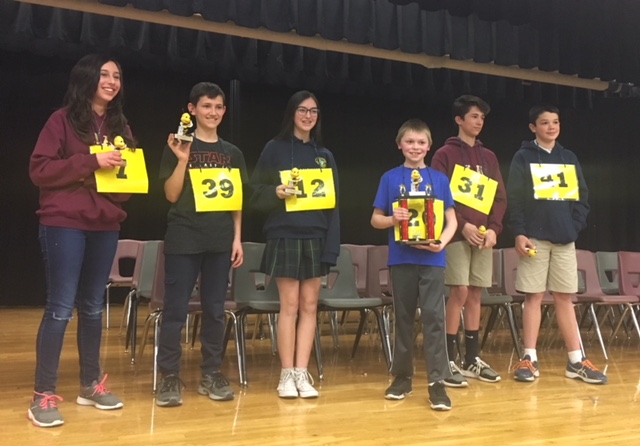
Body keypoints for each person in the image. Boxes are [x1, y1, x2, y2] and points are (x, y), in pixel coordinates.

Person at [28, 54, 132, 427]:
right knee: (60, 307)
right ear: (87, 78)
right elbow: (40, 170)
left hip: (105, 225)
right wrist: (92, 163)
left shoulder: (121, 125)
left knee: (92, 307)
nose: (111, 80)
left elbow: (126, 185)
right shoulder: (61, 120)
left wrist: (111, 178)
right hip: (64, 222)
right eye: (104, 74)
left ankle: (91, 385)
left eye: (117, 76)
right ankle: (42, 396)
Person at [156, 82, 247, 406]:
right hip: (184, 237)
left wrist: (237, 238)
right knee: (175, 310)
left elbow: (237, 199)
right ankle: (169, 376)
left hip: (220, 240)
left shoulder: (232, 153)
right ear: (192, 109)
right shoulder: (177, 144)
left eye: (219, 107)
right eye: (207, 106)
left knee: (215, 311)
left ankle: (211, 373)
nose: (213, 112)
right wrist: (183, 159)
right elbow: (170, 194)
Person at [250, 90, 340, 399]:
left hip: (315, 237)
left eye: (313, 111)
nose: (308, 116)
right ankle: (286, 374)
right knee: (288, 306)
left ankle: (303, 372)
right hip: (284, 234)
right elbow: (253, 192)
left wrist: (331, 248)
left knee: (310, 306)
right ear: (292, 114)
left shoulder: (324, 155)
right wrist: (274, 192)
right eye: (302, 110)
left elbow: (333, 207)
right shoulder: (273, 149)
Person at [507, 105, 607, 384]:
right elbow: (514, 198)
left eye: (555, 122)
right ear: (533, 128)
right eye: (545, 122)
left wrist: (573, 226)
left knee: (565, 297)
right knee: (534, 296)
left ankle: (576, 360)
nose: (551, 127)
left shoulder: (569, 157)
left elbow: (582, 197)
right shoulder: (523, 157)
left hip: (565, 240)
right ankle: (529, 357)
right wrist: (519, 232)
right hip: (534, 239)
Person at [371, 119, 457, 411]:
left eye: (421, 143)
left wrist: (442, 242)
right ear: (400, 145)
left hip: (433, 259)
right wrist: (393, 219)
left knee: (435, 318)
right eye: (410, 142)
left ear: (429, 146)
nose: (415, 147)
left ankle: (437, 382)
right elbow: (375, 219)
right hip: (402, 258)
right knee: (404, 318)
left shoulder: (440, 179)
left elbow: (452, 220)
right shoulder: (390, 178)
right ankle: (402, 377)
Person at [431, 95, 507, 387]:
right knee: (459, 290)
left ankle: (471, 358)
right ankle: (448, 358)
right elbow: (439, 196)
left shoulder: (489, 157)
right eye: (474, 116)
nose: (479, 122)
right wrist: (462, 226)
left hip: (484, 236)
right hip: (457, 236)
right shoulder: (444, 154)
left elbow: (499, 197)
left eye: (482, 118)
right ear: (459, 120)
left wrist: (493, 229)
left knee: (476, 292)